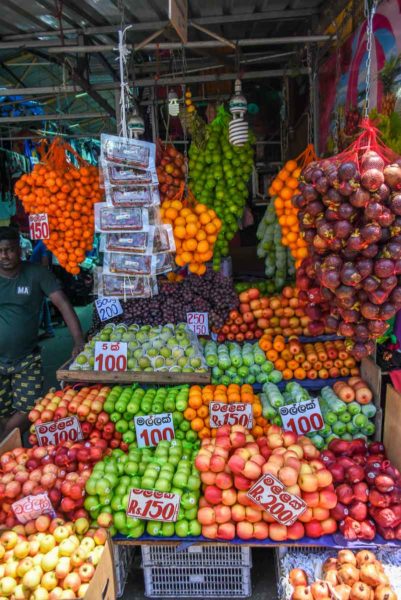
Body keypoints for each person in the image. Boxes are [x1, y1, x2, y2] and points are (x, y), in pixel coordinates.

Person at [0, 226, 85, 436]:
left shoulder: (37, 274)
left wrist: (78, 341)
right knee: (2, 411)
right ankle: (7, 444)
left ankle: (5, 441)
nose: (4, 255)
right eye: (0, 251)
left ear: (19, 249)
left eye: (9, 249)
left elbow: (63, 304)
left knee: (29, 408)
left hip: (27, 359)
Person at [30, 240, 55, 338]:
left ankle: (33, 334)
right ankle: (49, 329)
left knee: (38, 305)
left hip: (37, 277)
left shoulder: (44, 242)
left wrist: (41, 279)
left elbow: (45, 263)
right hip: (35, 276)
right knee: (43, 303)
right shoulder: (39, 242)